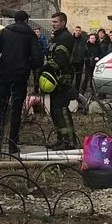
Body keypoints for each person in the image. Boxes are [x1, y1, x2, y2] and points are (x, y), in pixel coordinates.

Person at [0, 11, 43, 155]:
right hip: (21, 76)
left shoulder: (5, 32)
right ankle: (13, 144)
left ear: (14, 19)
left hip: (5, 74)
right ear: (26, 20)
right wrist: (27, 65)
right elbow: (38, 59)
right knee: (17, 109)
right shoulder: (30, 35)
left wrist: (1, 63)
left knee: (2, 108)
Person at [44, 11, 78, 150]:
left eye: (56, 22)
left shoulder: (65, 38)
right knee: (55, 110)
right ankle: (60, 138)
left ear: (63, 22)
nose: (53, 24)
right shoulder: (56, 37)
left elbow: (60, 60)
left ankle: (69, 141)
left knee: (62, 110)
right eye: (52, 22)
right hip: (55, 79)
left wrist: (44, 68)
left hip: (63, 79)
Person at [70, 25, 88, 91]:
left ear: (81, 32)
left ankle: (77, 90)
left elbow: (86, 50)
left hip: (80, 61)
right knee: (71, 76)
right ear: (74, 31)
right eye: (76, 30)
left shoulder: (83, 40)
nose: (78, 32)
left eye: (79, 31)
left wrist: (84, 58)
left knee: (79, 77)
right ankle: (70, 90)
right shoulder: (71, 39)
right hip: (72, 61)